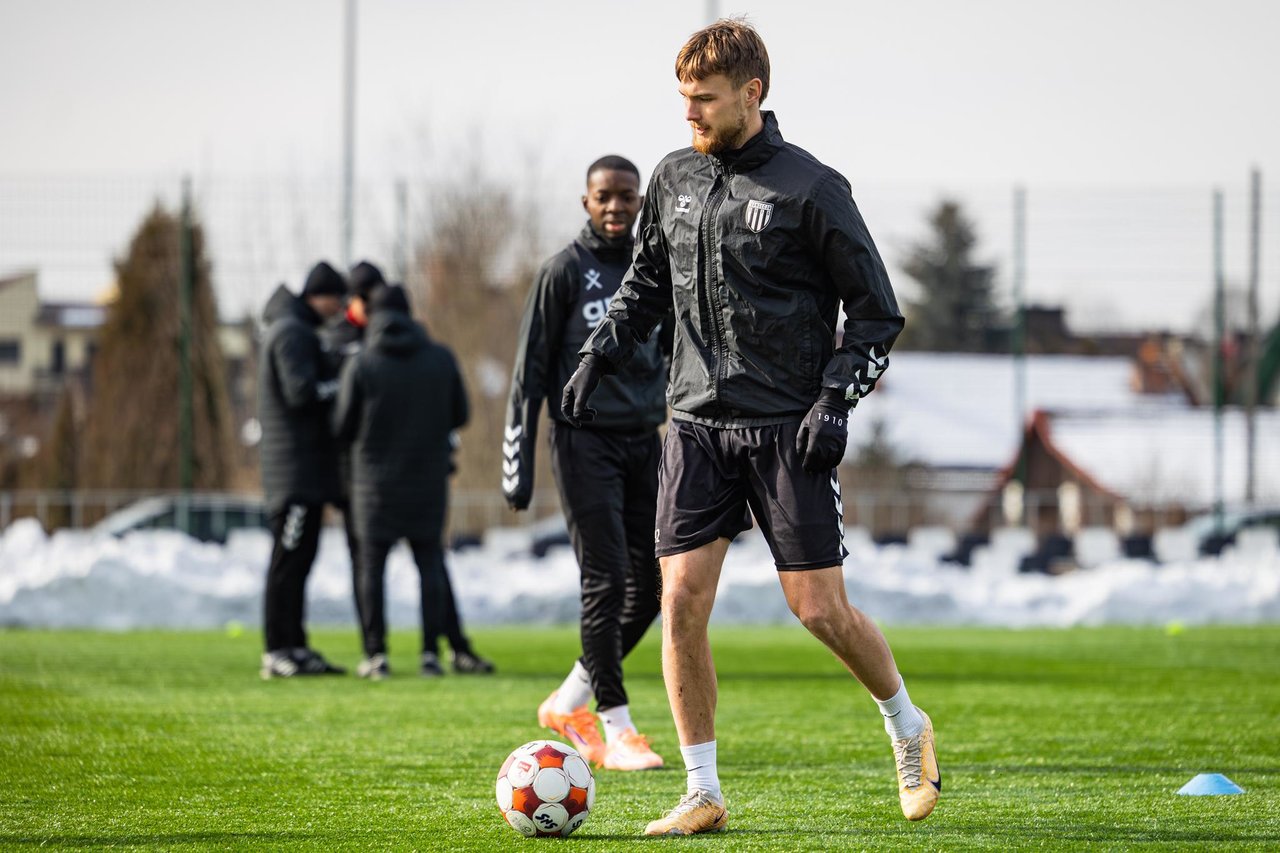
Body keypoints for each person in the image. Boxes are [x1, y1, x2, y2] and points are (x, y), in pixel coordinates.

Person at [563, 19, 939, 835]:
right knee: (679, 599)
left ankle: (908, 726)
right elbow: (646, 283)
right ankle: (702, 790)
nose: (689, 113)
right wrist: (600, 353)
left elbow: (878, 314)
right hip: (695, 424)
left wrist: (834, 400)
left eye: (704, 99)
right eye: (683, 98)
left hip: (786, 431)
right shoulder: (672, 177)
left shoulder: (813, 189)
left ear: (752, 93)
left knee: (818, 609)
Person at [504, 156, 668, 771]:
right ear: (586, 202)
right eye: (604, 196)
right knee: (606, 581)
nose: (615, 207)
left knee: (657, 584)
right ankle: (617, 726)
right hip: (582, 443)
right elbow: (528, 374)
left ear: (640, 201)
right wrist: (516, 465)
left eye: (627, 196)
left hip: (645, 442)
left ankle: (570, 699)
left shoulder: (654, 269)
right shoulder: (563, 273)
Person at [326, 265, 495, 677]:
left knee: (371, 567)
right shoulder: (440, 359)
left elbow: (341, 425)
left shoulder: (362, 364)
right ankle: (430, 654)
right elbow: (461, 414)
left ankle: (376, 654)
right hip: (427, 481)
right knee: (430, 564)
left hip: (373, 486)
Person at [258, 261, 349, 679]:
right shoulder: (291, 332)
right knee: (288, 562)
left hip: (302, 472)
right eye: (336, 299)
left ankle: (294, 645)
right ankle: (277, 649)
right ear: (319, 296)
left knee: (299, 561)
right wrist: (343, 381)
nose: (340, 308)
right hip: (292, 474)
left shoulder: (296, 330)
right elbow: (301, 393)